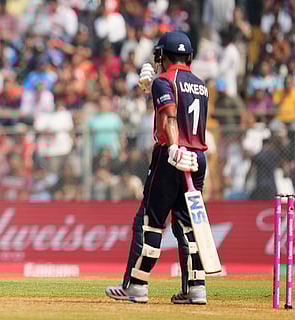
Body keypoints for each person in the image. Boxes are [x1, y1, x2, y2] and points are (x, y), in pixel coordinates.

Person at [105, 32, 209, 304]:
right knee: (187, 225)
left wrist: (173, 148)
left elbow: (170, 116)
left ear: (162, 55)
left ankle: (137, 284)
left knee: (150, 221)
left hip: (171, 155)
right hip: (197, 158)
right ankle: (195, 287)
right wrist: (153, 87)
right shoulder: (200, 84)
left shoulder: (164, 81)